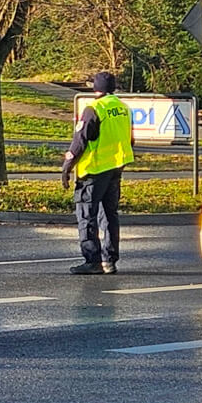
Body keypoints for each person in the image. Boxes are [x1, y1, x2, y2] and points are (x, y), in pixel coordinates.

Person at [62, 70, 134, 274]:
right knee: (110, 214)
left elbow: (80, 141)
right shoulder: (123, 108)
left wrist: (67, 167)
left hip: (93, 170)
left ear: (95, 89)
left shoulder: (93, 109)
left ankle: (92, 261)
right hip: (116, 168)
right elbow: (130, 139)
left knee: (87, 215)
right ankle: (109, 260)